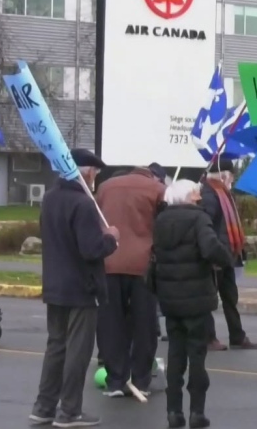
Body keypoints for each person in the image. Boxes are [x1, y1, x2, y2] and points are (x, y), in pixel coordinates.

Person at [30, 149, 119, 428]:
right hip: (82, 288)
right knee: (77, 352)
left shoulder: (51, 198)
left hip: (55, 285)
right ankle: (69, 411)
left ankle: (44, 406)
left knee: (56, 347)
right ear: (87, 172)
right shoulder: (83, 204)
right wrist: (112, 240)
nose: (95, 178)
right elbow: (91, 249)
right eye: (95, 173)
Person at [150, 180, 234, 429]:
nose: (200, 198)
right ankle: (197, 411)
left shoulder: (161, 221)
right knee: (197, 356)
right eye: (196, 195)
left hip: (169, 297)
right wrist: (226, 258)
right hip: (196, 298)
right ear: (189, 197)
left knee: (175, 354)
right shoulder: (199, 220)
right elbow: (210, 247)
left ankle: (173, 411)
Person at [95, 164, 167, 398]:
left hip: (109, 262)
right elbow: (163, 227)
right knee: (144, 325)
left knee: (111, 324)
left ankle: (115, 380)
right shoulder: (157, 188)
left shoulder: (105, 187)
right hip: (143, 265)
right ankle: (141, 379)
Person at [200, 159, 257, 351]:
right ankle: (208, 337)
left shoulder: (223, 193)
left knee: (230, 298)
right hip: (215, 257)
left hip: (227, 256)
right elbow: (206, 227)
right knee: (210, 298)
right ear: (223, 176)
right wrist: (213, 252)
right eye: (231, 176)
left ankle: (237, 335)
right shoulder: (208, 195)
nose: (232, 179)